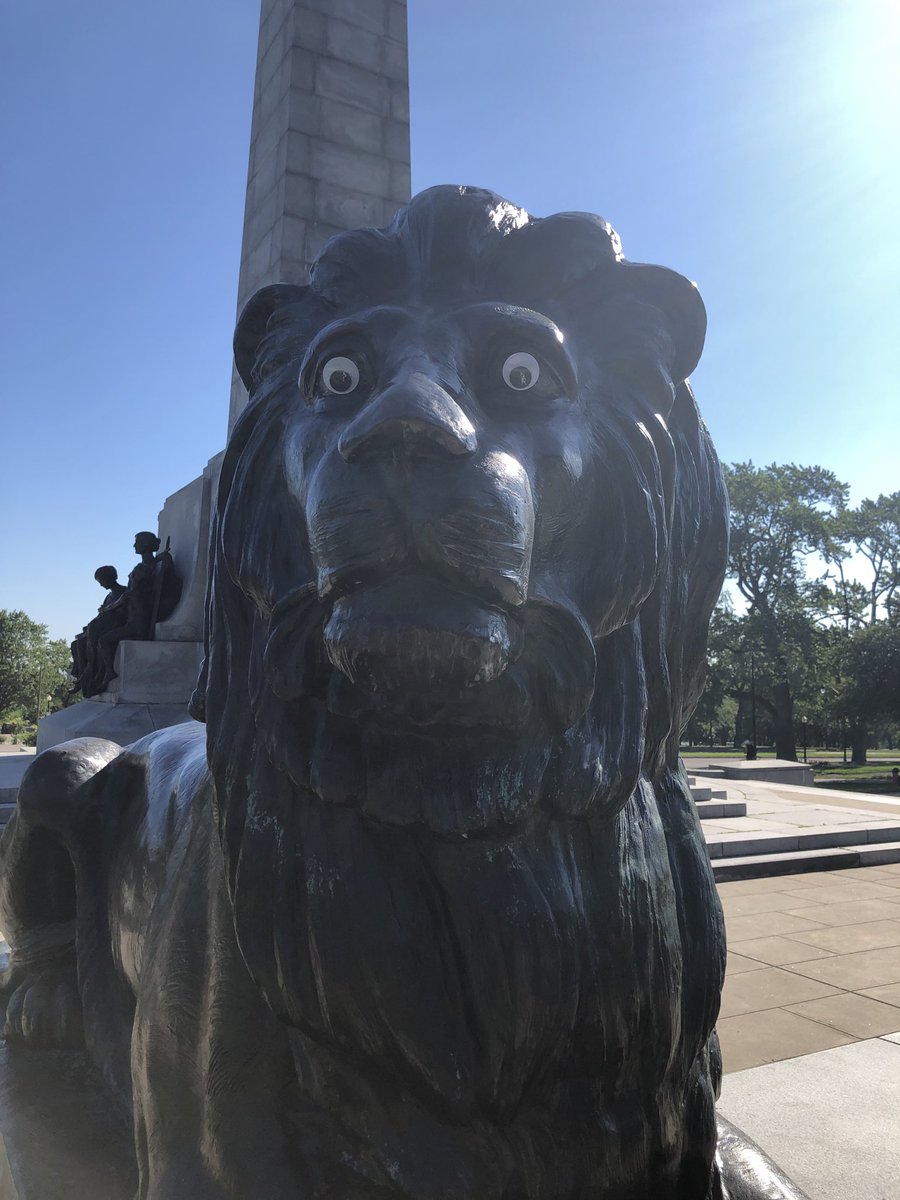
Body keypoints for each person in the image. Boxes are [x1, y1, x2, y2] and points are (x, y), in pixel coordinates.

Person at [70, 565, 127, 693]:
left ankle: (93, 671)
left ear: (111, 577)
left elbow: (123, 614)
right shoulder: (109, 596)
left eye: (101, 581)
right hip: (103, 626)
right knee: (76, 643)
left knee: (93, 634)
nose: (101, 585)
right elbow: (101, 614)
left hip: (114, 626)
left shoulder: (124, 592)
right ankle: (82, 674)